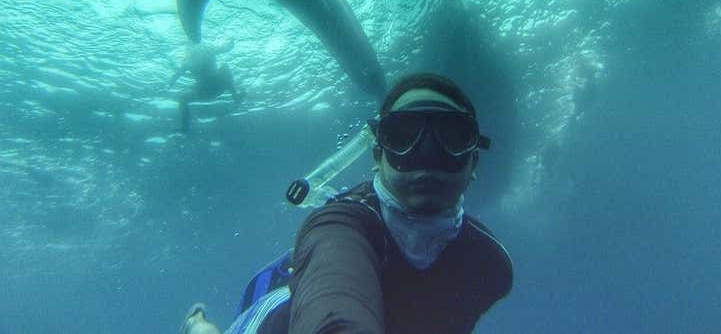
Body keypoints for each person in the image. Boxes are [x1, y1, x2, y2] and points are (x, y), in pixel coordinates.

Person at [181, 73, 513, 334]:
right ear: (377, 156)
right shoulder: (339, 226)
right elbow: (333, 308)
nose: (427, 156)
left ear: (473, 162)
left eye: (452, 138)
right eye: (404, 136)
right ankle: (198, 324)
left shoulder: (490, 266)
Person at [168, 38, 244, 132]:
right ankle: (236, 97)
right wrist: (231, 43)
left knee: (225, 67)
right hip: (211, 89)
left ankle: (235, 97)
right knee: (225, 68)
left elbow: (176, 75)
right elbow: (226, 48)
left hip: (208, 89)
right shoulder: (202, 53)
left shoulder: (189, 60)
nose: (189, 49)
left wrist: (170, 82)